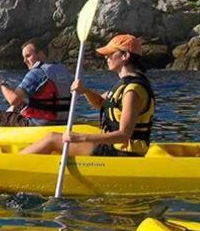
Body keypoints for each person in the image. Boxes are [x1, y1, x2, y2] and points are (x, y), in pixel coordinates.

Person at [21, 34, 155, 156]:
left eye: (110, 53)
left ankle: (15, 163)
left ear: (125, 56)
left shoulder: (132, 91)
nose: (106, 57)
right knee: (54, 139)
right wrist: (84, 90)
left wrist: (81, 137)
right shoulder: (125, 85)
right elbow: (99, 103)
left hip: (121, 153)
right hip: (115, 148)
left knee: (52, 139)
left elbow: (124, 135)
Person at [0, 38, 72, 127]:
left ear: (40, 54)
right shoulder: (62, 69)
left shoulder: (37, 73)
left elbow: (13, 99)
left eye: (28, 56)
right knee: (16, 107)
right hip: (61, 122)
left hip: (36, 124)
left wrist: (2, 85)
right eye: (24, 57)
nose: (24, 60)